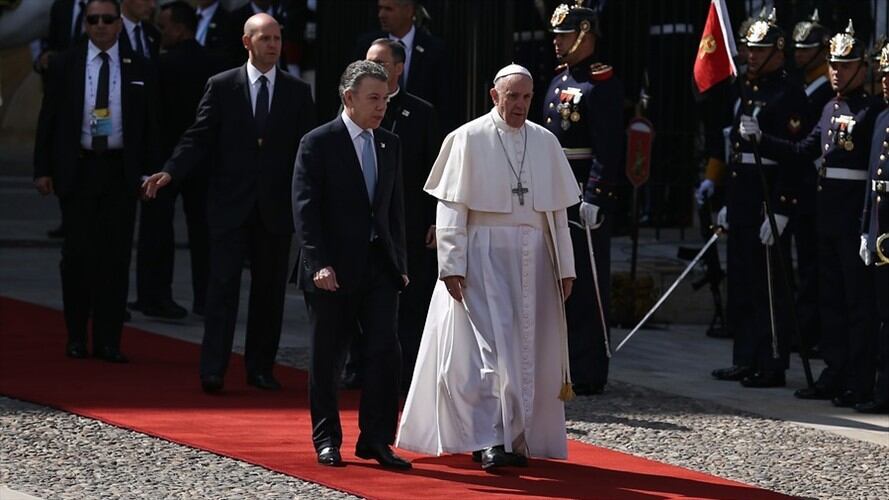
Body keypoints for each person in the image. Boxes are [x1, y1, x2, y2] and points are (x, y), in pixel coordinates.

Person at [396, 64, 580, 471]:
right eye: (512, 96)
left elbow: (557, 213)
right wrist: (451, 263)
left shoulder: (545, 141)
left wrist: (566, 267)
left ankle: (518, 435)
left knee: (526, 351)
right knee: (489, 353)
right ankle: (488, 439)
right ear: (494, 96)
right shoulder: (467, 138)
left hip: (534, 260)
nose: (519, 105)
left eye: (527, 98)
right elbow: (451, 208)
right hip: (483, 257)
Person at [141, 13, 316, 393]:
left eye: (277, 38)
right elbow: (199, 136)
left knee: (269, 293)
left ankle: (260, 368)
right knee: (221, 290)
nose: (273, 44)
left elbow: (307, 152)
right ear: (247, 42)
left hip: (273, 210)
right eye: (265, 38)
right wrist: (171, 171)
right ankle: (214, 369)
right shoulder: (222, 86)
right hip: (229, 205)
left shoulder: (296, 91)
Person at [743, 20, 882, 405]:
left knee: (857, 305)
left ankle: (858, 377)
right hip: (826, 215)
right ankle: (834, 372)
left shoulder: (872, 112)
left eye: (846, 65)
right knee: (830, 302)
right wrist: (762, 139)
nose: (838, 72)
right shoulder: (828, 108)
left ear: (862, 67)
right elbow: (804, 150)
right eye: (834, 65)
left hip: (854, 214)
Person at [291, 60, 410, 469]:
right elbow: (305, 210)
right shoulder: (318, 142)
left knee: (385, 353)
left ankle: (376, 439)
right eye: (374, 99)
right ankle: (327, 439)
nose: (382, 107)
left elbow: (394, 210)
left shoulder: (388, 143)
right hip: (333, 270)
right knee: (328, 358)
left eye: (386, 99)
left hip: (379, 266)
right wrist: (318, 264)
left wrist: (401, 261)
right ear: (349, 98)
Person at [33, 0, 160, 362]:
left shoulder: (140, 65)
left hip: (120, 171)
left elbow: (152, 124)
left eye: (108, 19)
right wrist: (42, 169)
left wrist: (152, 170)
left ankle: (109, 340)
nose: (101, 26)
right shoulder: (65, 64)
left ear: (120, 23)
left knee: (115, 258)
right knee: (76, 256)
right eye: (94, 20)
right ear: (85, 24)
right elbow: (49, 119)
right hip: (78, 169)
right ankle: (76, 335)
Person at [710, 8, 811, 388]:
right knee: (743, 281)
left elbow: (795, 156)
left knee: (769, 285)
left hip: (769, 195)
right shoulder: (747, 89)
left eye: (760, 49)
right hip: (745, 196)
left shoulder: (789, 93)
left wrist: (783, 208)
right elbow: (736, 153)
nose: (751, 55)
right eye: (749, 49)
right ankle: (745, 356)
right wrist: (727, 201)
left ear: (778, 51)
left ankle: (771, 361)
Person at [341, 38, 440, 391]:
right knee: (356, 297)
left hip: (406, 222)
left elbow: (434, 173)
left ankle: (404, 371)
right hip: (363, 222)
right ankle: (357, 365)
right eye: (368, 61)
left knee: (407, 300)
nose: (374, 68)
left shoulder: (421, 112)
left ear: (399, 67)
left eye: (381, 63)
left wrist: (435, 219)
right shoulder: (352, 111)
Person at [541, 2, 623, 396]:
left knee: (587, 284)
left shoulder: (600, 83)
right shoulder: (559, 81)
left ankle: (589, 368)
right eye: (556, 35)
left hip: (582, 192)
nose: (557, 42)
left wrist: (596, 194)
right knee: (556, 280)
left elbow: (609, 147)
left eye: (564, 35)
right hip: (556, 188)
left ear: (585, 35)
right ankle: (562, 362)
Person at [129, 0, 218, 319]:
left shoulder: (163, 66)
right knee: (202, 231)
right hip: (202, 160)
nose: (160, 33)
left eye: (164, 27)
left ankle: (154, 294)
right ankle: (204, 298)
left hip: (166, 157)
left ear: (179, 29)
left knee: (157, 230)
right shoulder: (212, 64)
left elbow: (154, 112)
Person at [788, 9, 831, 357]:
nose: (800, 53)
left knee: (817, 268)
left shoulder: (824, 92)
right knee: (807, 265)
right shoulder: (804, 88)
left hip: (819, 187)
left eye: (808, 48)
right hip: (802, 187)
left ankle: (813, 332)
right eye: (798, 48)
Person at [353, 0, 449, 129]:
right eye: (380, 8)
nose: (381, 14)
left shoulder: (434, 48)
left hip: (417, 129)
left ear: (409, 10)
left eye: (389, 9)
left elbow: (443, 99)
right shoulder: (367, 45)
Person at [858, 39, 889, 414]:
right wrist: (867, 228)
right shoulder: (881, 117)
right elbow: (871, 181)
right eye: (883, 74)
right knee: (882, 316)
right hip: (882, 231)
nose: (885, 81)